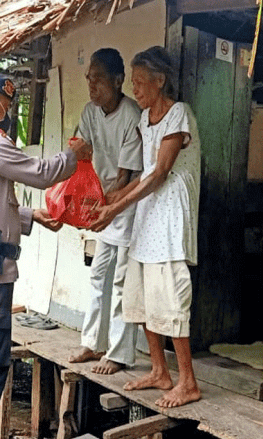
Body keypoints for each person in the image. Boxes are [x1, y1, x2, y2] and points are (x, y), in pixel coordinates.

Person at [0, 70, 91, 439]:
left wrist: (30, 216)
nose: (8, 113)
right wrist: (72, 155)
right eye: (7, 105)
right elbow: (41, 174)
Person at [90, 46, 201, 408]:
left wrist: (118, 205)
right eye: (133, 83)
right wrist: (113, 197)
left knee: (171, 295)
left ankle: (188, 381)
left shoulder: (178, 115)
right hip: (148, 211)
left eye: (140, 83)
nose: (135, 90)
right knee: (139, 294)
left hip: (170, 212)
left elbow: (160, 173)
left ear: (160, 81)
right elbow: (142, 178)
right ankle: (159, 370)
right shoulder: (145, 119)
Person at [67, 49, 142, 375]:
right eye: (88, 78)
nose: (91, 84)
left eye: (98, 78)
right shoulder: (90, 111)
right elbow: (80, 152)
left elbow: (126, 176)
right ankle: (93, 343)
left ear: (118, 80)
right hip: (103, 202)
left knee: (122, 280)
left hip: (126, 203)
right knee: (99, 274)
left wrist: (106, 207)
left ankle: (120, 353)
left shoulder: (131, 115)